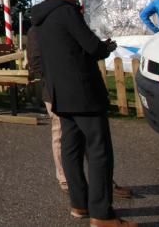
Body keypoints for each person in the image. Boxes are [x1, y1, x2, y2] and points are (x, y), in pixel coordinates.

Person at [31, 0, 136, 227]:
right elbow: (90, 45)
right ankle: (102, 214)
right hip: (82, 92)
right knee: (99, 150)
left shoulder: (40, 20)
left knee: (71, 148)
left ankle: (79, 203)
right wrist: (105, 48)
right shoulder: (67, 11)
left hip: (59, 93)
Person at [27, 25, 131, 200]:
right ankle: (67, 182)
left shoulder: (72, 24)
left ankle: (103, 183)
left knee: (92, 138)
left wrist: (100, 49)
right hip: (56, 91)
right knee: (62, 134)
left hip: (81, 91)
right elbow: (36, 63)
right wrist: (60, 77)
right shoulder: (38, 30)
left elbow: (83, 52)